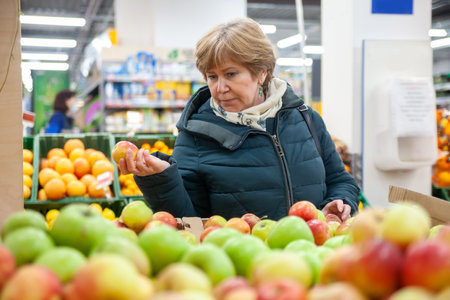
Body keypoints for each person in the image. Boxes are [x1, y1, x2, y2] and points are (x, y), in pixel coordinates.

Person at [119, 18, 360, 221]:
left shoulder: (304, 119)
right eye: (212, 77)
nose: (220, 87)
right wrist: (161, 180)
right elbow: (189, 222)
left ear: (261, 72)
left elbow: (340, 180)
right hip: (240, 268)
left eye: (231, 74)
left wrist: (340, 202)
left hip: (312, 260)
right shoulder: (195, 135)